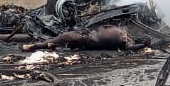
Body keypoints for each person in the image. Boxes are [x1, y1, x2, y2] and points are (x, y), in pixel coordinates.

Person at [20, 25, 150, 52]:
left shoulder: (126, 42)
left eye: (142, 39)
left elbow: (130, 48)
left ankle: (34, 46)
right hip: (88, 33)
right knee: (61, 37)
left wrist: (144, 46)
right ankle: (43, 45)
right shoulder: (125, 32)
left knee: (64, 37)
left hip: (88, 40)